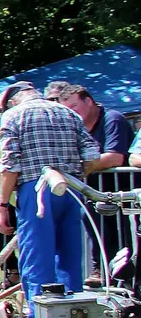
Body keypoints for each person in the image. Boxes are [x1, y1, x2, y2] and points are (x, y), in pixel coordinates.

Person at [0, 81, 97, 318]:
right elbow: (91, 154)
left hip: (36, 189)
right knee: (70, 258)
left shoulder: (13, 116)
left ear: (11, 101)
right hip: (71, 187)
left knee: (36, 260)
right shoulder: (68, 113)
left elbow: (11, 164)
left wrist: (3, 204)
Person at [49, 82, 135, 279]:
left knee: (126, 238)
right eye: (67, 110)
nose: (72, 112)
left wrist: (76, 166)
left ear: (88, 101)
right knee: (96, 229)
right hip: (96, 194)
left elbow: (115, 157)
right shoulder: (76, 126)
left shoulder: (112, 119)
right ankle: (102, 271)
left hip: (124, 194)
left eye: (74, 107)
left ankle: (127, 280)